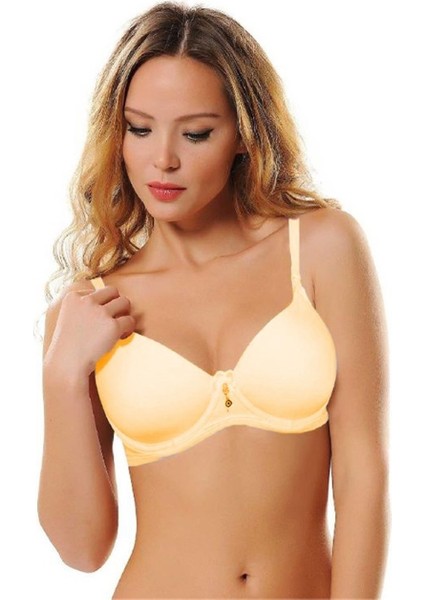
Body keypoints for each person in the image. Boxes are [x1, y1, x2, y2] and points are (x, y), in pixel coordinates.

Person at [37, 2, 390, 598]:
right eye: (139, 129)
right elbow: (82, 549)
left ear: (245, 135)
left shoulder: (321, 248)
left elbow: (364, 475)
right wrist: (61, 377)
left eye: (196, 133)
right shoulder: (91, 309)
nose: (163, 159)